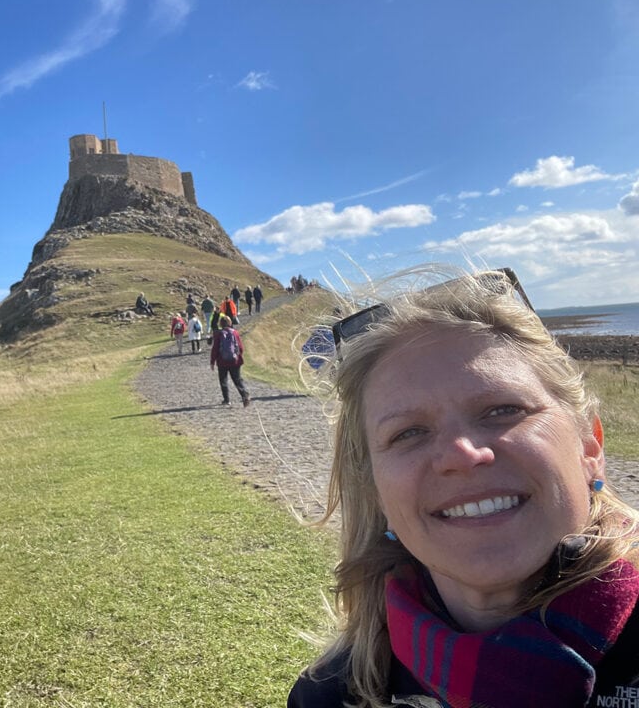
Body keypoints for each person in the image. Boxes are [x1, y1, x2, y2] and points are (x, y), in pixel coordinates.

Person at [289, 267, 639, 708]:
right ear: (375, 489)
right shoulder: (333, 694)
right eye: (409, 433)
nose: (461, 454)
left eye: (502, 409)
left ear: (589, 446)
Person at [210, 315, 250, 407]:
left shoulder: (219, 334)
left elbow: (215, 349)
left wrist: (212, 361)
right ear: (230, 323)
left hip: (222, 361)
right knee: (237, 379)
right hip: (235, 361)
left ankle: (227, 400)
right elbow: (240, 347)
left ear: (221, 324)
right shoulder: (235, 333)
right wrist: (238, 356)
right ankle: (244, 395)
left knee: (223, 380)